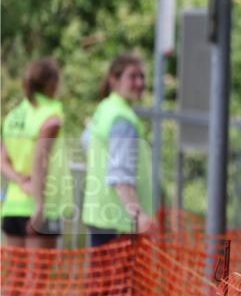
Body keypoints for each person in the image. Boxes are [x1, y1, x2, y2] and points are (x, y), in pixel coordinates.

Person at [81, 53, 156, 247]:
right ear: (114, 80)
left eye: (142, 76)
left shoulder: (105, 108)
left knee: (100, 278)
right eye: (132, 76)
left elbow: (86, 142)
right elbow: (120, 175)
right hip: (120, 222)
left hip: (100, 216)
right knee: (116, 279)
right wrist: (137, 216)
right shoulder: (122, 118)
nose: (140, 82)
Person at [1, 58, 70, 248]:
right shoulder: (50, 116)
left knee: (15, 277)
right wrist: (40, 205)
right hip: (39, 208)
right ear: (52, 84)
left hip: (12, 207)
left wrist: (20, 180)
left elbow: (2, 160)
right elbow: (40, 160)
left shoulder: (14, 115)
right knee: (39, 277)